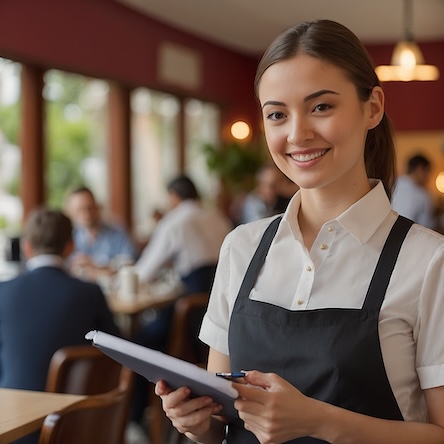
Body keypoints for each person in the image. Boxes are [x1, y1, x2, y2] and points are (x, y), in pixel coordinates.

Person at [155, 20, 444, 444]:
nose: (297, 134)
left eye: (321, 107)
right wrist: (198, 422)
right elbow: (221, 421)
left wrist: (319, 422)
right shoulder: (241, 246)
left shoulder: (429, 260)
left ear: (373, 108)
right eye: (276, 114)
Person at [0, 208, 120, 443]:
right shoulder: (90, 293)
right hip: (77, 423)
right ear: (71, 246)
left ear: (27, 247)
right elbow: (116, 353)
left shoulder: (3, 292)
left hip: (14, 426)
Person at [131, 175, 233, 426]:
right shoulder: (217, 216)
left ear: (174, 197)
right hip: (220, 326)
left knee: (137, 345)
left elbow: (143, 273)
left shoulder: (174, 222)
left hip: (188, 327)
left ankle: (135, 419)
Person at [65, 186, 138, 281]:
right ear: (71, 212)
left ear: (97, 207)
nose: (87, 213)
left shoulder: (117, 231)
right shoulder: (69, 236)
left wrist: (96, 265)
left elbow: (130, 262)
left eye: (90, 208)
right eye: (80, 209)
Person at [391, 154, 436, 229]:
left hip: (387, 237)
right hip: (412, 237)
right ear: (420, 169)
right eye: (428, 172)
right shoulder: (422, 195)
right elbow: (426, 226)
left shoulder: (391, 185)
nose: (428, 178)